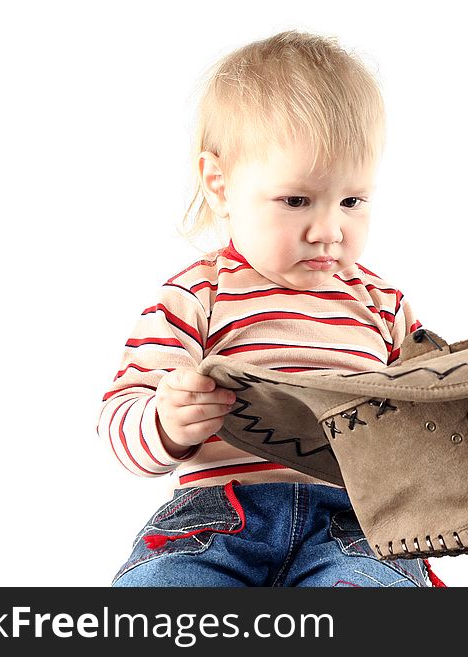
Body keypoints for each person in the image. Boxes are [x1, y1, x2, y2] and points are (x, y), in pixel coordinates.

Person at [98, 30, 444, 587]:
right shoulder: (197, 297)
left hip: (353, 527)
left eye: (352, 201)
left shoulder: (384, 307)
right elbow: (118, 425)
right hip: (214, 525)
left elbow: (436, 415)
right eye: (296, 200)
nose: (328, 230)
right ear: (220, 184)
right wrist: (165, 421)